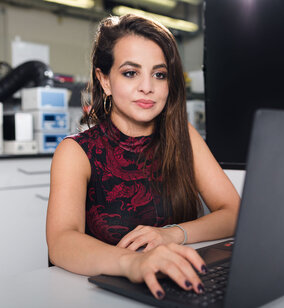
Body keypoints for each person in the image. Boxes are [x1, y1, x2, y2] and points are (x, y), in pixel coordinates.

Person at [46, 14, 240, 300]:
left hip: (177, 286)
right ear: (105, 80)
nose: (147, 87)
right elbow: (61, 242)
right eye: (130, 73)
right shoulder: (76, 152)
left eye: (159, 74)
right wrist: (134, 263)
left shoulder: (183, 136)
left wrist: (172, 234)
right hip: (103, 297)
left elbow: (234, 213)